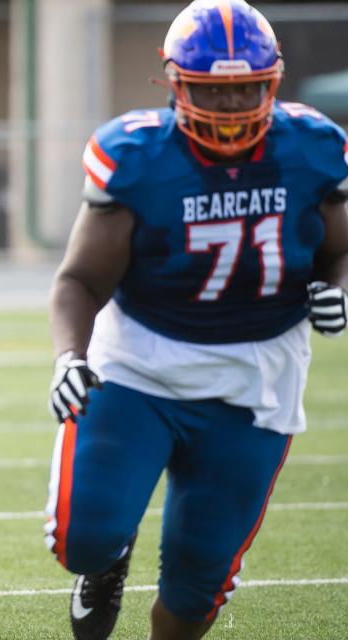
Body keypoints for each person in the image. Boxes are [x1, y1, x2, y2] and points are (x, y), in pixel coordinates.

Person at [44, 1, 348, 639]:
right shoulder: (138, 155)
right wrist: (70, 357)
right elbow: (79, 279)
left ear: (273, 81)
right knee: (85, 539)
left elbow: (341, 248)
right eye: (215, 89)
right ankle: (105, 568)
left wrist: (336, 288)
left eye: (246, 87)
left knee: (194, 592)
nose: (232, 104)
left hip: (258, 377)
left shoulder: (313, 147)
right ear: (176, 84)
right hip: (139, 363)